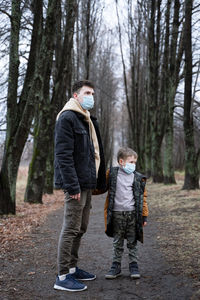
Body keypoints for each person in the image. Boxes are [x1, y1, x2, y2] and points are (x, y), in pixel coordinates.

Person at [54, 80, 106, 292]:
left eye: (92, 92)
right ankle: (62, 276)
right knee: (70, 228)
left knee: (81, 228)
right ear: (76, 95)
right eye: (87, 92)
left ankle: (73, 269)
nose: (90, 96)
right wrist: (72, 186)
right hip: (75, 184)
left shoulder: (86, 119)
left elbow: (91, 154)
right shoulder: (67, 117)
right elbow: (63, 156)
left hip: (85, 182)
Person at [104, 147, 148, 279]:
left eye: (135, 162)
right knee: (117, 242)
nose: (133, 165)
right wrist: (87, 190)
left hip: (132, 214)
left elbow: (143, 198)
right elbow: (101, 186)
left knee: (132, 241)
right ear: (121, 161)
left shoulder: (138, 178)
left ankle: (133, 265)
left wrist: (144, 215)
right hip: (117, 214)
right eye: (131, 162)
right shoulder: (111, 174)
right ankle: (115, 266)